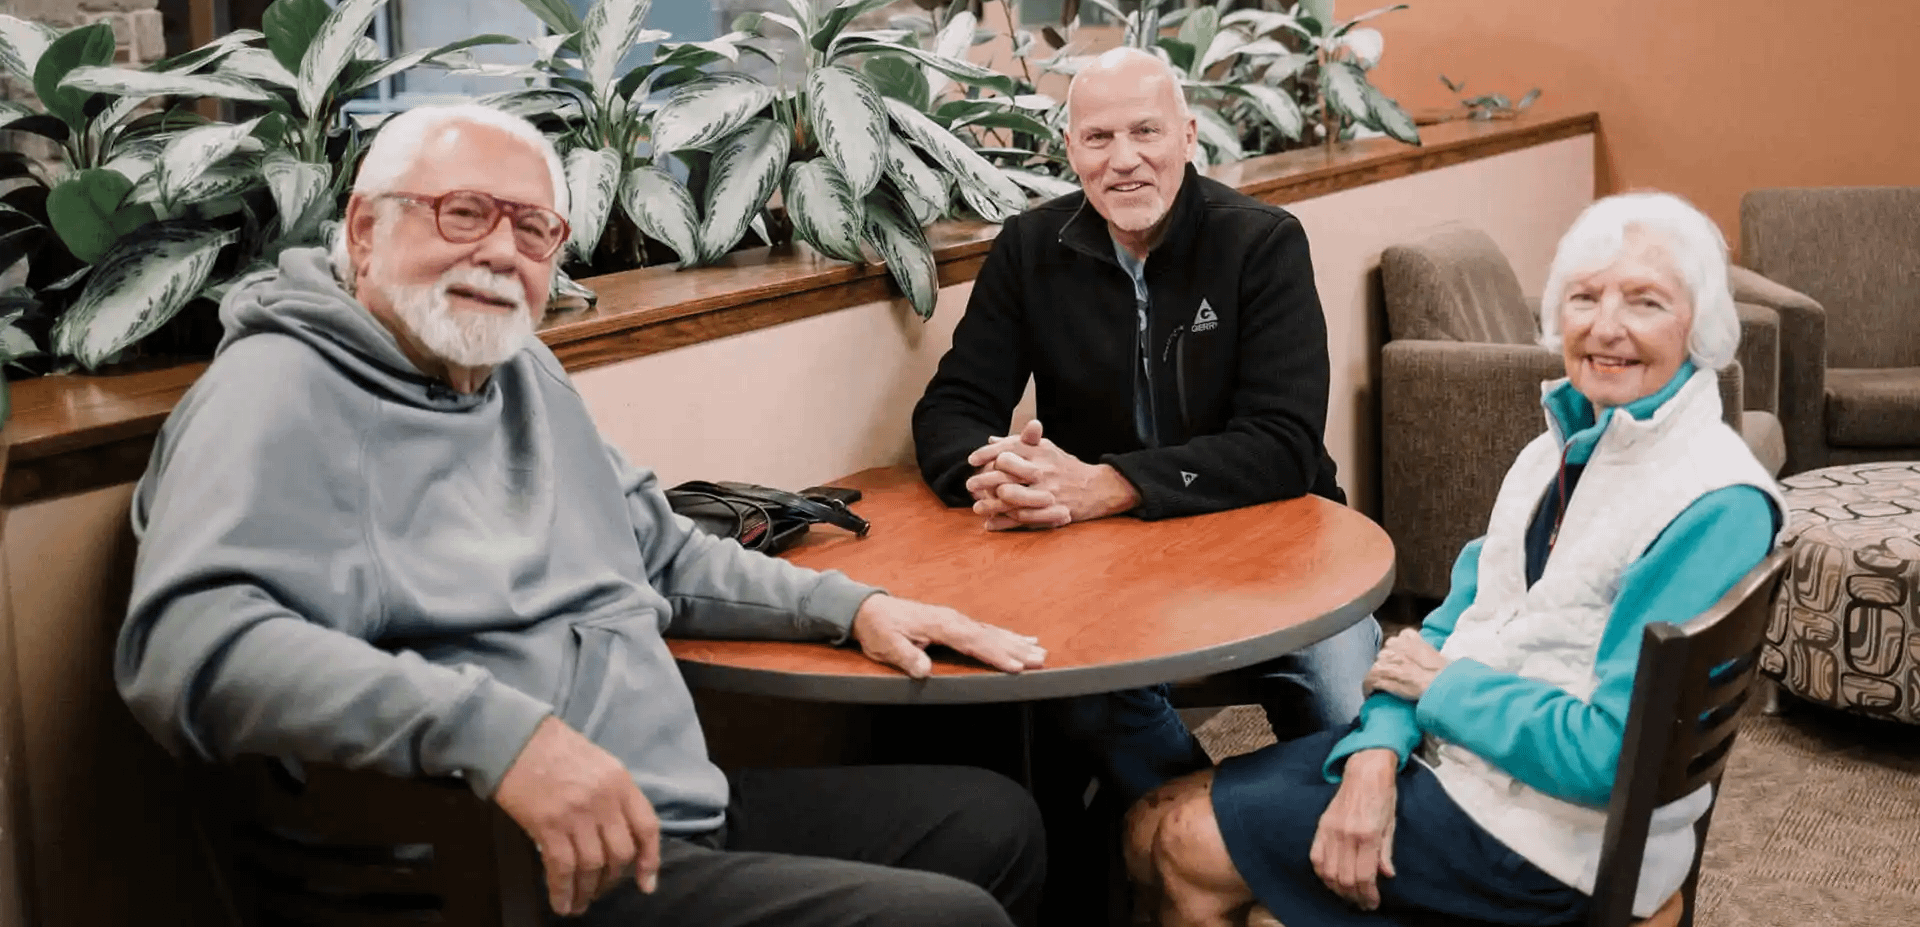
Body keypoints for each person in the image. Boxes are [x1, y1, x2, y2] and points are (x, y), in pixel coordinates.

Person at [114, 103, 1051, 927]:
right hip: (509, 865)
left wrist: (853, 609)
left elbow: (665, 555)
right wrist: (500, 736)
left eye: (533, 231)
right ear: (364, 231)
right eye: (463, 214)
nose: (497, 253)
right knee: (942, 917)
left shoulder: (519, 371)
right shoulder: (276, 392)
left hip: (664, 814)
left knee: (993, 821)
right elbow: (189, 643)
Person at [1123, 191, 1785, 927]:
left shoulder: (1713, 502)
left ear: (1702, 328)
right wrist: (1375, 754)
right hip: (1470, 766)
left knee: (1178, 845)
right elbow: (1454, 625)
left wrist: (1439, 692)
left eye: (1646, 303)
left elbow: (1611, 756)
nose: (1606, 327)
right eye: (1585, 297)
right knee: (1150, 821)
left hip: (1551, 840)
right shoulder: (1558, 450)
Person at [910, 46, 1380, 808]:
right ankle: (1195, 825)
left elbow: (1285, 444)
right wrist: (1006, 477)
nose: (1124, 161)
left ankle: (1284, 846)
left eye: (1146, 133)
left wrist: (1111, 485)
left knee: (1345, 709)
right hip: (1112, 565)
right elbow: (950, 408)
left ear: (1188, 137)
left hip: (1279, 542)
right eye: (1098, 139)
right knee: (1085, 696)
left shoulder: (1261, 243)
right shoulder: (1030, 249)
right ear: (1070, 151)